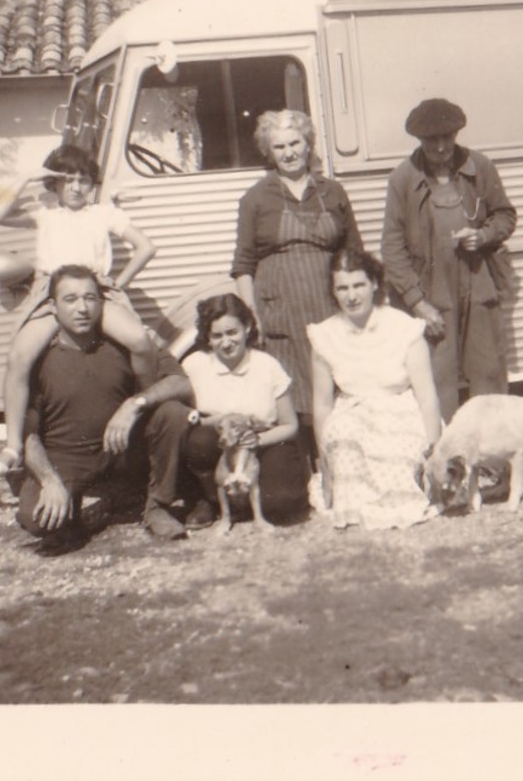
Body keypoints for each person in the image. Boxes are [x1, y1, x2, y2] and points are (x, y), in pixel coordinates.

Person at [0, 144, 159, 476]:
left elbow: (147, 247)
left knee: (139, 340)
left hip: (94, 289)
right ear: (55, 185)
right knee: (19, 356)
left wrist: (116, 282)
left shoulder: (104, 213)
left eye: (84, 180)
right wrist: (28, 177)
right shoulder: (45, 214)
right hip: (52, 292)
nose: (76, 188)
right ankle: (12, 448)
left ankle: (146, 416)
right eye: (68, 181)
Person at [13, 265, 195, 555]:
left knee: (173, 413)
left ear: (102, 303)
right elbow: (28, 433)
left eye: (90, 298)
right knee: (36, 519)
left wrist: (135, 404)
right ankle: (69, 512)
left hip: (122, 450)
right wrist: (49, 481)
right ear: (53, 307)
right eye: (70, 299)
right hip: (70, 456)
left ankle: (156, 506)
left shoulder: (125, 344)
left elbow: (180, 383)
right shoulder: (40, 357)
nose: (82, 308)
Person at [231, 110, 362, 457]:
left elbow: (353, 254)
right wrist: (251, 314)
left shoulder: (333, 192)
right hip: (280, 305)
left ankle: (341, 457)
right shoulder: (256, 198)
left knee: (336, 376)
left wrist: (359, 303)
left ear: (308, 145)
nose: (288, 153)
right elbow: (243, 263)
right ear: (268, 152)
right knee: (291, 384)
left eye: (294, 143)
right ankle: (303, 465)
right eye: (279, 147)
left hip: (327, 301)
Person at [379, 98, 518, 422]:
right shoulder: (403, 178)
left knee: (488, 371)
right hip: (432, 292)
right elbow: (391, 245)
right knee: (437, 378)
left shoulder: (479, 166)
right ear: (419, 140)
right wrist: (417, 303)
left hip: (478, 281)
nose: (441, 147)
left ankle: (493, 454)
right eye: (432, 140)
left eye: (447, 137)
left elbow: (505, 216)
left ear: (456, 134)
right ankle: (447, 459)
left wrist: (482, 236)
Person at [307, 248, 441, 530]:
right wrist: (324, 458)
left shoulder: (403, 328)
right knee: (344, 439)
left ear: (374, 284)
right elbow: (321, 406)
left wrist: (433, 450)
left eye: (359, 285)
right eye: (342, 288)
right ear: (333, 291)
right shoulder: (324, 336)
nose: (352, 296)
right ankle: (356, 506)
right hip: (352, 411)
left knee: (395, 450)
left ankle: (404, 496)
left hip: (401, 410)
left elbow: (427, 398)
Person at [178, 294, 310, 530]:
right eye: (217, 335)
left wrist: (257, 439)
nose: (226, 342)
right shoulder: (194, 365)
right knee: (198, 443)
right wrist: (214, 421)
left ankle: (245, 501)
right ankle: (210, 500)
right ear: (207, 337)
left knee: (283, 503)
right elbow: (182, 414)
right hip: (217, 444)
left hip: (263, 442)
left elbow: (290, 425)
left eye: (232, 332)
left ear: (247, 328)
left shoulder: (267, 365)